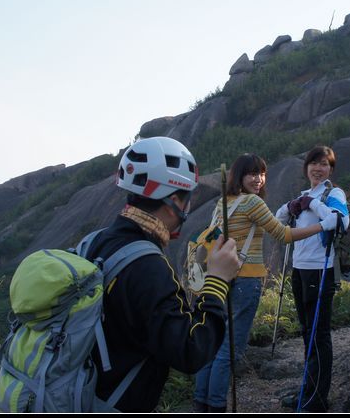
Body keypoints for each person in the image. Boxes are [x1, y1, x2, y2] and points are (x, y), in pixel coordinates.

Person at [83, 136, 240, 412]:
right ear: (174, 201)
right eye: (187, 199)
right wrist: (217, 281)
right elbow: (191, 350)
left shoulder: (96, 242)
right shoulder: (147, 266)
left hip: (86, 393)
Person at [192, 153, 339, 413]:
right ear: (239, 176)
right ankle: (216, 406)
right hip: (246, 279)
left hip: (218, 279)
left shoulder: (222, 203)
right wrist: (322, 226)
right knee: (230, 349)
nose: (258, 179)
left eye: (261, 173)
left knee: (213, 343)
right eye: (251, 173)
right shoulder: (252, 203)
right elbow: (282, 235)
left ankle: (201, 404)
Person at [275, 146, 350, 412]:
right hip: (300, 268)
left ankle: (318, 399)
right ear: (306, 167)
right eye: (313, 163)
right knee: (307, 332)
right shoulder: (303, 195)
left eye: (324, 164)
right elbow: (278, 219)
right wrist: (292, 205)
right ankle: (308, 390)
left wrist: (314, 204)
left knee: (319, 334)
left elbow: (340, 221)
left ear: (330, 169)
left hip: (321, 269)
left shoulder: (333, 194)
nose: (318, 169)